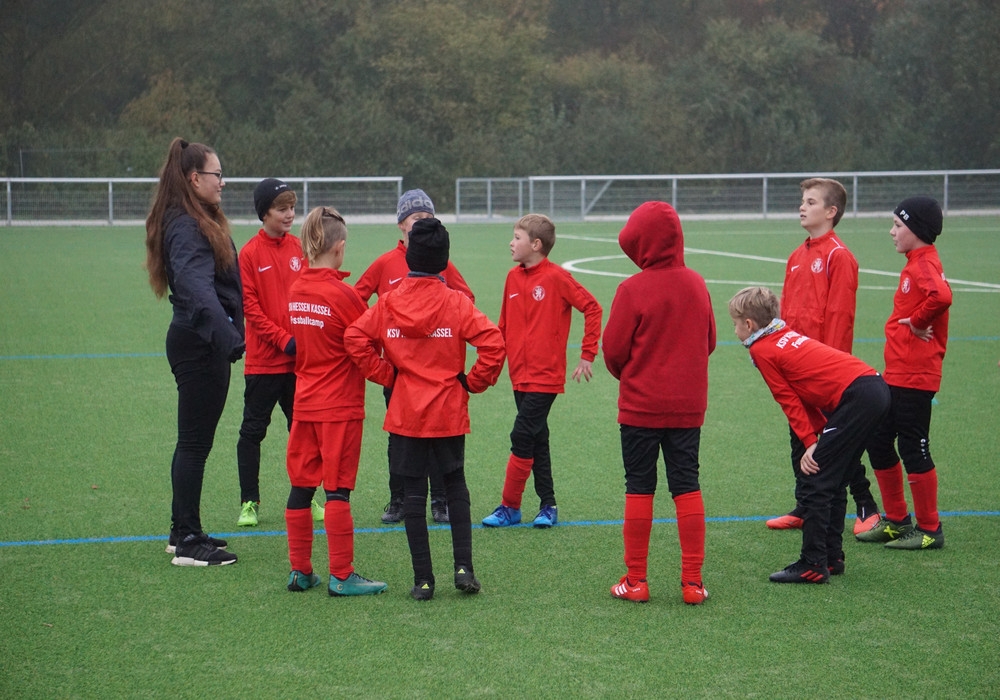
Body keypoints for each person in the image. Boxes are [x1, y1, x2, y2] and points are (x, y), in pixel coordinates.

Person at [345, 217, 505, 601]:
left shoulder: (390, 301)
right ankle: (463, 569)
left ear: (409, 257)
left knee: (414, 493)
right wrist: (472, 382)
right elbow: (494, 343)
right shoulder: (456, 302)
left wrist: (388, 375)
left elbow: (354, 337)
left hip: (406, 412)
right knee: (455, 485)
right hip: (447, 410)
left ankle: (424, 580)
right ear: (444, 261)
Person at [729, 286, 891, 583]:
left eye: (735, 323)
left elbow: (788, 400)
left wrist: (810, 443)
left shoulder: (762, 349)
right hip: (872, 388)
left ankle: (812, 563)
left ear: (749, 325)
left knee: (818, 478)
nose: (735, 329)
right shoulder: (781, 333)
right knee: (836, 478)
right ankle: (831, 558)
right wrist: (815, 436)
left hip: (857, 397)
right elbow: (805, 395)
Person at [602, 202, 714, 605]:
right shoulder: (697, 284)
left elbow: (613, 350)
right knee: (687, 484)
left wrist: (636, 375)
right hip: (687, 407)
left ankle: (636, 580)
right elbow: (709, 341)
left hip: (640, 407)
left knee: (639, 486)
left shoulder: (632, 289)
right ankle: (693, 583)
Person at [144, 137, 242, 566]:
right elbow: (196, 289)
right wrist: (229, 338)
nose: (222, 182)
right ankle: (186, 541)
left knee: (194, 442)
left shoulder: (193, 219)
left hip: (199, 340)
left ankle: (182, 528)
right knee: (194, 444)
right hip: (199, 344)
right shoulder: (186, 226)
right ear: (193, 178)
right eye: (217, 174)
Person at [767, 177, 882, 536]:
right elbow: (785, 315)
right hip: (794, 365)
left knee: (834, 442)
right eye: (803, 201)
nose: (802, 207)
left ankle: (866, 505)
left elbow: (839, 317)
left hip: (826, 372)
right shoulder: (795, 256)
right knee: (799, 437)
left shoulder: (838, 256)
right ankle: (804, 506)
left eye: (811, 202)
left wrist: (832, 372)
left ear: (831, 211)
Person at [355, 189, 475, 525]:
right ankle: (398, 500)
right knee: (399, 439)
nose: (422, 222)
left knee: (438, 437)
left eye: (427, 217)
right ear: (401, 224)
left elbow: (466, 297)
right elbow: (356, 299)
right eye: (415, 218)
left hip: (436, 368)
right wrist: (380, 342)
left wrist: (438, 309)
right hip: (399, 372)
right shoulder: (384, 263)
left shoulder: (442, 263)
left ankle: (440, 500)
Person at [283, 206, 387, 596]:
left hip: (305, 402)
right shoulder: (343, 295)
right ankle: (342, 575)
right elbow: (372, 338)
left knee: (301, 486)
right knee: (337, 490)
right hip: (339, 406)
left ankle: (300, 570)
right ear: (339, 248)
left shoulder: (297, 289)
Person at [480, 214, 603, 529]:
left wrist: (587, 354)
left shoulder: (557, 277)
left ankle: (510, 505)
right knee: (536, 440)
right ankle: (548, 505)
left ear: (535, 244)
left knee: (521, 435)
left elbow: (592, 307)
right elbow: (503, 326)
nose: (511, 243)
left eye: (517, 237)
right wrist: (492, 365)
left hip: (545, 377)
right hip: (518, 375)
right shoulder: (512, 278)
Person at [857, 197, 951, 550]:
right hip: (898, 372)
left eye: (898, 225)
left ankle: (929, 529)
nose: (892, 231)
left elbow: (941, 296)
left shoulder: (923, 263)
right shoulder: (916, 262)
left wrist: (917, 320)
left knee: (913, 447)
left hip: (916, 375)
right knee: (879, 440)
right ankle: (897, 520)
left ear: (917, 229)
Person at [235, 178, 323, 528]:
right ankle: (249, 502)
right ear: (264, 213)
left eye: (292, 208)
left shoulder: (300, 248)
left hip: (300, 363)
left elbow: (313, 293)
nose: (290, 215)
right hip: (264, 363)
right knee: (252, 432)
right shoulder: (248, 254)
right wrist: (284, 340)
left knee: (303, 432)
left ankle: (307, 495)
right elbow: (251, 310)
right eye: (282, 209)